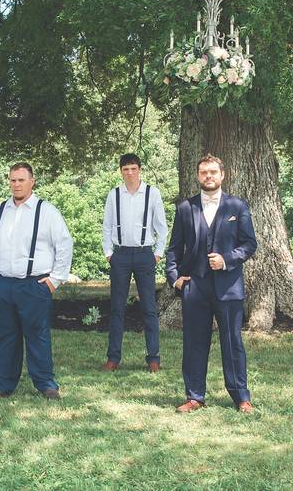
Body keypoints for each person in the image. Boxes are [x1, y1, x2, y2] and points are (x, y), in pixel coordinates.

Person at [166, 154, 258, 413]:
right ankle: (194, 396)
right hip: (195, 287)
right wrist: (175, 279)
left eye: (213, 172)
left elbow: (250, 244)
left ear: (222, 175)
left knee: (232, 343)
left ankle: (241, 397)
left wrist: (227, 259)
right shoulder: (186, 208)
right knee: (194, 343)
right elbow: (174, 250)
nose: (209, 176)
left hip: (228, 286)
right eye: (204, 172)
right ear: (198, 176)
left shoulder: (237, 206)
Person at [0, 162, 73, 400]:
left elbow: (64, 245)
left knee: (37, 335)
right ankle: (3, 384)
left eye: (21, 180)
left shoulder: (47, 211)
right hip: (2, 285)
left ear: (32, 181)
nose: (16, 184)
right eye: (12, 180)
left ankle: (46, 384)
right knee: (4, 336)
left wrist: (55, 280)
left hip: (34, 285)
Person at [101, 153, 168, 372]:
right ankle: (113, 358)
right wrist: (109, 253)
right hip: (119, 256)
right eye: (125, 169)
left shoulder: (152, 193)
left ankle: (153, 358)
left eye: (133, 168)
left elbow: (161, 227)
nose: (129, 172)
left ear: (139, 169)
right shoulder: (114, 194)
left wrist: (157, 253)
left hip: (144, 255)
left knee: (149, 308)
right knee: (117, 308)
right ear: (121, 172)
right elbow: (107, 225)